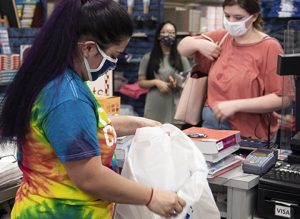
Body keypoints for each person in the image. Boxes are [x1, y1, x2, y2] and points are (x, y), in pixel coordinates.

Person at [0, 0, 186, 218]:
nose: (114, 64)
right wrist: (151, 197)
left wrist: (138, 124)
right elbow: (90, 176)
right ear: (88, 48)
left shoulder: (64, 81)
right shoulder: (67, 97)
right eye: (114, 55)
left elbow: (83, 128)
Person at [177, 0, 293, 141]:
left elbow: (284, 98)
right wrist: (197, 43)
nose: (231, 22)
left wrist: (236, 105)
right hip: (210, 127)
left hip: (248, 133)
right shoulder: (221, 37)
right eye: (227, 16)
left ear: (254, 16)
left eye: (238, 18)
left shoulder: (269, 47)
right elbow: (182, 47)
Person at [138, 21, 191, 124]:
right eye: (165, 32)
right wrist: (156, 82)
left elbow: (189, 82)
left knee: (173, 137)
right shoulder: (148, 57)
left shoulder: (182, 58)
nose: (168, 35)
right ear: (158, 35)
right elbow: (141, 83)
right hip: (155, 105)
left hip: (174, 104)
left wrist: (178, 83)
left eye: (172, 32)